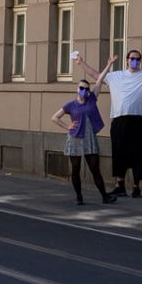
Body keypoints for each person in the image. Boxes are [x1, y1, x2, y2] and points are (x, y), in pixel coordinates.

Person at [79, 43, 142, 198]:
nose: (135, 61)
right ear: (127, 60)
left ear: (140, 61)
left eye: (137, 59)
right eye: (132, 58)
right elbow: (96, 75)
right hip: (120, 120)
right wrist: (81, 63)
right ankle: (120, 184)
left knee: (139, 153)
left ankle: (136, 186)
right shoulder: (116, 76)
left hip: (139, 119)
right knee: (119, 152)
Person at [51, 57, 119, 205]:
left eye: (85, 89)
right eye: (81, 88)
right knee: (75, 168)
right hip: (75, 138)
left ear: (88, 91)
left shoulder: (92, 99)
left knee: (95, 168)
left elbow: (100, 80)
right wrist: (67, 126)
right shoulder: (71, 105)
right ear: (77, 89)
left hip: (89, 138)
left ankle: (104, 196)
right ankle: (79, 197)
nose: (83, 90)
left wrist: (108, 65)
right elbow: (55, 117)